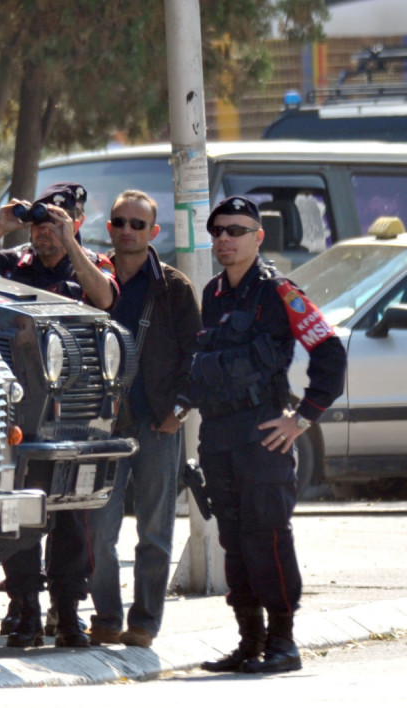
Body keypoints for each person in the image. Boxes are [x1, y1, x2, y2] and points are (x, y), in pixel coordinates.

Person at [190, 196, 346, 674]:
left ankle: (283, 643)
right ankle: (249, 642)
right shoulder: (213, 293)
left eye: (235, 230)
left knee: (268, 537)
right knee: (233, 539)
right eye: (217, 231)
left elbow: (329, 353)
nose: (224, 239)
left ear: (258, 237)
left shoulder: (280, 292)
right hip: (219, 437)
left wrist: (301, 419)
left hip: (262, 437)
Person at [0, 182, 119, 648]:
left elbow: (106, 299)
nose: (44, 235)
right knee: (22, 512)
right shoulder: (13, 264)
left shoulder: (92, 264)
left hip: (75, 412)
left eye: (54, 225)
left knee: (71, 517)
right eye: (39, 226)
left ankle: (69, 612)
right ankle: (25, 609)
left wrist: (71, 243)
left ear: (74, 223)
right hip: (22, 410)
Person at [86, 190, 201, 649]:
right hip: (104, 426)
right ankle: (107, 617)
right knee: (98, 531)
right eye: (120, 222)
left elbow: (197, 354)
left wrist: (179, 411)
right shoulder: (94, 279)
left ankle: (146, 622)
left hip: (158, 425)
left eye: (138, 224)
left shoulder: (173, 287)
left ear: (154, 232)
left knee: (154, 531)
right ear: (109, 227)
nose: (127, 230)